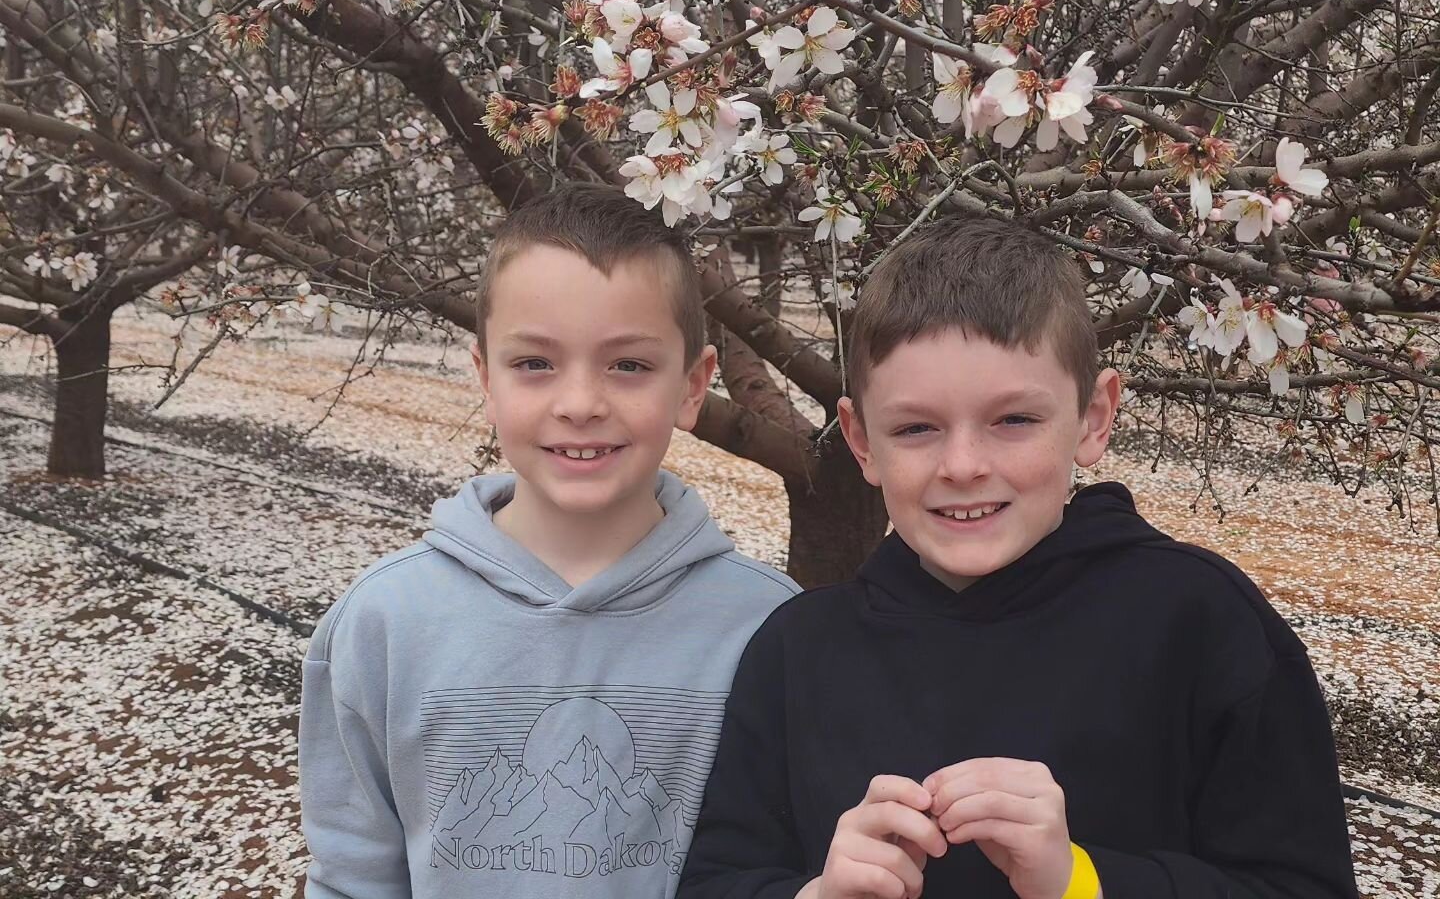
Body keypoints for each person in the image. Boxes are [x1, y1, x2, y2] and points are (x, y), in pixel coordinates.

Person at [678, 214, 1358, 899]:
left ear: (1093, 417)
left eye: (1014, 420)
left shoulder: (1200, 624)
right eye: (916, 428)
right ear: (860, 443)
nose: (964, 465)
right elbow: (717, 879)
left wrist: (1080, 882)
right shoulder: (799, 652)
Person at [300, 184, 799, 898]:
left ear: (693, 387)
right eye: (535, 363)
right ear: (485, 378)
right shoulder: (383, 625)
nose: (580, 404)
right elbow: (352, 878)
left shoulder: (767, 628)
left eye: (628, 365)